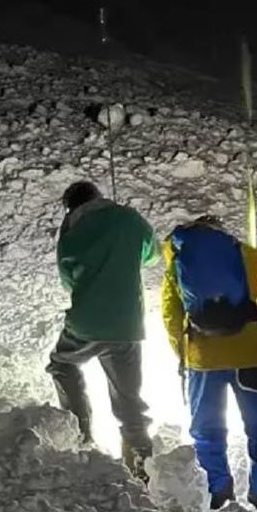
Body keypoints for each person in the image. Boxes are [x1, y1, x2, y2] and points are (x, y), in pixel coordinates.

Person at [162, 215, 257, 512]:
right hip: (250, 357)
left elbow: (171, 314)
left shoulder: (179, 260)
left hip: (203, 361)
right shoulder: (244, 252)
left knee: (208, 429)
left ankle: (218, 492)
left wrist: (185, 355)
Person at [48, 181, 158, 479]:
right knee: (128, 396)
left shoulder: (70, 230)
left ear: (70, 206)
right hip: (127, 325)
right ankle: (140, 460)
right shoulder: (129, 217)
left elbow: (67, 279)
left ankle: (79, 432)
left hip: (86, 323)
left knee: (62, 364)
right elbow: (152, 254)